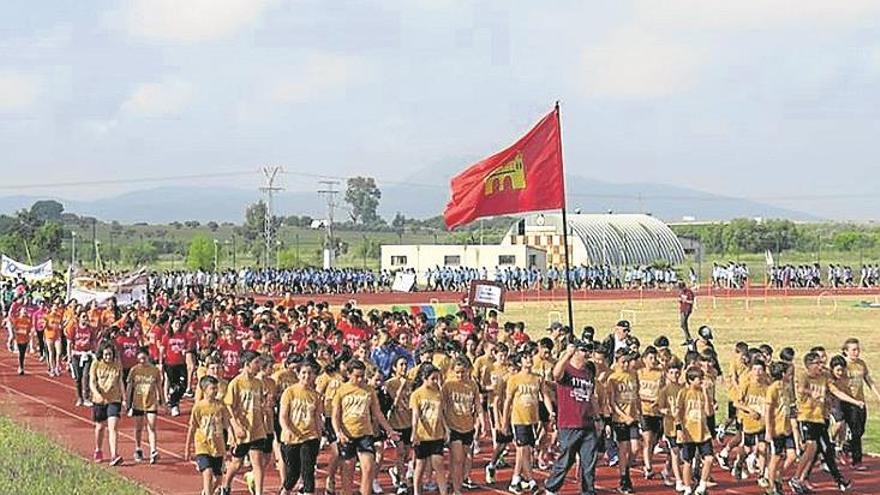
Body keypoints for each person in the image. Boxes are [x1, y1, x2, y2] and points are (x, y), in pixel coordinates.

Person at [789, 351, 860, 494]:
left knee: (818, 450)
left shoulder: (824, 376)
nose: (821, 366)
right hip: (806, 417)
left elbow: (835, 391)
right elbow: (801, 389)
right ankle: (796, 478)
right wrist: (811, 393)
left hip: (820, 418)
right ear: (809, 365)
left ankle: (801, 479)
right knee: (812, 447)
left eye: (821, 363)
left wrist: (855, 401)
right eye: (817, 363)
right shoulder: (804, 376)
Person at [332, 358, 399, 495]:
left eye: (362, 376)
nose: (360, 379)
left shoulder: (369, 390)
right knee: (348, 469)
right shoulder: (342, 390)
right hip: (348, 434)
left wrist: (390, 430)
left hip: (365, 434)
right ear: (349, 374)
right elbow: (335, 415)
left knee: (368, 468)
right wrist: (338, 432)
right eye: (357, 376)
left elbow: (378, 413)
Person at [544, 340, 600, 495]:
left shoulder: (588, 373)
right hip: (569, 424)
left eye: (589, 350)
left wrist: (598, 417)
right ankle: (551, 487)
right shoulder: (566, 370)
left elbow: (591, 397)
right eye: (584, 350)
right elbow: (556, 374)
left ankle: (588, 491)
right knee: (566, 460)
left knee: (589, 461)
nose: (587, 353)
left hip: (587, 423)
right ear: (576, 351)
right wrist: (566, 354)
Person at [502, 350, 552, 494]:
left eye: (530, 356)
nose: (529, 359)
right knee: (523, 449)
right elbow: (507, 401)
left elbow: (545, 395)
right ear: (519, 363)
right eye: (525, 358)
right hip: (519, 419)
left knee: (525, 451)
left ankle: (515, 479)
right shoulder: (514, 379)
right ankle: (531, 481)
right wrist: (505, 422)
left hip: (533, 419)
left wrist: (551, 412)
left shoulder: (538, 378)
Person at [220, 350, 269, 495]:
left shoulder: (258, 383)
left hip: (257, 428)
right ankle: (226, 485)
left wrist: (264, 415)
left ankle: (259, 492)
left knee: (257, 462)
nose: (259, 365)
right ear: (247, 365)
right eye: (256, 363)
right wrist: (235, 427)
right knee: (237, 463)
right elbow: (228, 406)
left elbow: (260, 404)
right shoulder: (236, 383)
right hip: (242, 430)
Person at [278, 359, 323, 495]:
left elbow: (317, 418)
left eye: (310, 373)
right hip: (291, 438)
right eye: (303, 373)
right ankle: (285, 491)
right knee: (293, 473)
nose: (307, 376)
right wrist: (287, 429)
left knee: (308, 471)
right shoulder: (289, 392)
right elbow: (283, 416)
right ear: (298, 375)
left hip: (310, 436)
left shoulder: (315, 395)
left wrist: (319, 436)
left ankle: (308, 492)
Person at [442, 356, 483, 495]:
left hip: (468, 427)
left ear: (468, 371)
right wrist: (444, 426)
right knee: (458, 459)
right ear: (453, 371)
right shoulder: (448, 385)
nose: (460, 375)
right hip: (453, 426)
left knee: (462, 458)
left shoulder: (472, 385)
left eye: (463, 372)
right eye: (457, 372)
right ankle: (457, 489)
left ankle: (451, 480)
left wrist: (482, 421)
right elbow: (441, 406)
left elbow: (477, 404)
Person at [185, 375, 231, 495]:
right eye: (212, 388)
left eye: (216, 388)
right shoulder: (198, 407)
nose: (215, 391)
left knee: (218, 479)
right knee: (208, 473)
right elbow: (192, 427)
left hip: (218, 446)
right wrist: (188, 448)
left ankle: (207, 492)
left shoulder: (220, 406)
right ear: (204, 390)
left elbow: (227, 424)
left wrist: (232, 438)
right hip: (203, 445)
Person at [841, 337, 880, 470]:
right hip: (848, 401)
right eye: (853, 350)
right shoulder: (843, 364)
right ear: (846, 351)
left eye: (857, 349)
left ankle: (847, 445)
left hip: (860, 402)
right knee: (856, 431)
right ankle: (857, 461)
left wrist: (877, 394)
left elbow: (868, 379)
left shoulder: (861, 364)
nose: (856, 352)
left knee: (861, 429)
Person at [676, 367, 714, 495]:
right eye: (699, 379)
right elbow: (678, 413)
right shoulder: (684, 393)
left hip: (703, 432)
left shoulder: (703, 393)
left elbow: (709, 412)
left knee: (709, 458)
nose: (702, 381)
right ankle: (687, 487)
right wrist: (679, 429)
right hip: (689, 432)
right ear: (691, 380)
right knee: (688, 461)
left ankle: (702, 485)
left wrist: (706, 393)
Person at [607, 349, 641, 493]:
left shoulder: (633, 375)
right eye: (623, 362)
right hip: (620, 419)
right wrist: (623, 415)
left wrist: (638, 411)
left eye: (628, 361)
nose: (626, 364)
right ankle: (623, 477)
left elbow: (636, 395)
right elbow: (612, 402)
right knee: (623, 448)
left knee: (635, 448)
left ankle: (626, 469)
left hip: (633, 416)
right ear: (617, 361)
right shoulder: (613, 378)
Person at [410, 363, 447, 495]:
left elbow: (441, 413)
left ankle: (444, 492)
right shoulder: (417, 395)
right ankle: (416, 491)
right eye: (433, 378)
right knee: (420, 465)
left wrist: (446, 429)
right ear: (424, 378)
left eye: (437, 378)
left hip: (437, 435)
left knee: (439, 464)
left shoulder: (438, 393)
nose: (436, 381)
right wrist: (414, 432)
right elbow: (415, 414)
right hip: (422, 435)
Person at [90, 341, 126, 466]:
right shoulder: (96, 364)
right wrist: (98, 394)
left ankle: (114, 455)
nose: (108, 357)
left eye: (110, 354)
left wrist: (124, 398)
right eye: (105, 355)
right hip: (99, 400)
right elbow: (92, 382)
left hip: (114, 399)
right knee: (100, 427)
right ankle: (98, 449)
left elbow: (120, 381)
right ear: (101, 354)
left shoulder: (117, 365)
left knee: (113, 427)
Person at [127, 346, 163, 464]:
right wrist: (128, 404)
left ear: (148, 357)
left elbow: (159, 386)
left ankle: (153, 450)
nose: (142, 361)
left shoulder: (155, 370)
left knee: (152, 426)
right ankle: (138, 448)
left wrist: (162, 400)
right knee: (138, 428)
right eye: (140, 359)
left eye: (144, 358)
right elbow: (129, 387)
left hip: (151, 403)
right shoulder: (134, 370)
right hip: (138, 403)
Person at [765, 361, 795, 495]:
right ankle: (771, 487)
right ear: (783, 374)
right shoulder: (773, 389)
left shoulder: (787, 387)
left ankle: (778, 476)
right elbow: (768, 411)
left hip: (787, 427)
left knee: (792, 456)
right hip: (777, 428)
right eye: (789, 373)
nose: (791, 375)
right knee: (775, 457)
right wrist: (768, 430)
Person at [386, 356, 414, 495]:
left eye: (405, 364)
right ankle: (402, 482)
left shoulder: (411, 382)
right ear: (394, 368)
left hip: (409, 422)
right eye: (401, 364)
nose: (404, 367)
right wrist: (401, 386)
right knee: (401, 452)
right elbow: (393, 404)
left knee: (408, 453)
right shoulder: (390, 383)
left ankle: (396, 471)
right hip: (396, 423)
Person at [8, 305, 31, 375]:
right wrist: (15, 334)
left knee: (23, 354)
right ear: (20, 312)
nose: (24, 312)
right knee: (21, 353)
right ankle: (21, 367)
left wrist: (28, 333)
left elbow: (29, 329)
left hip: (25, 339)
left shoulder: (28, 320)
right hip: (19, 339)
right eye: (23, 311)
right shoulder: (17, 320)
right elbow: (14, 328)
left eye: (25, 311)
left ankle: (21, 366)